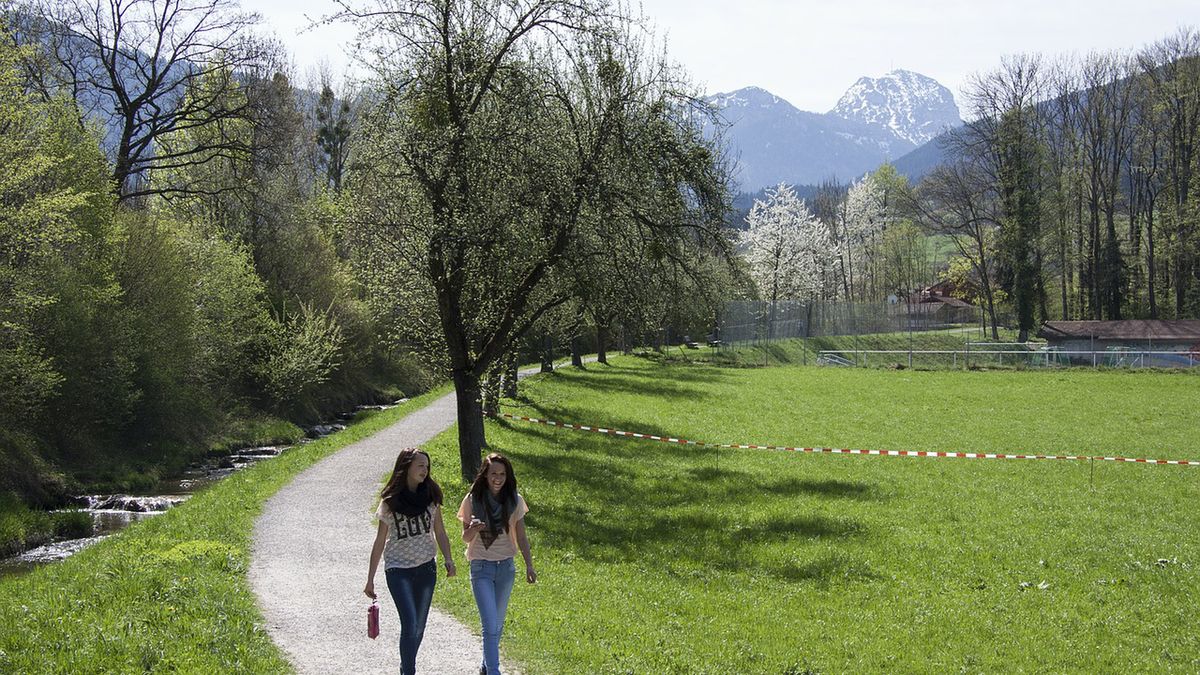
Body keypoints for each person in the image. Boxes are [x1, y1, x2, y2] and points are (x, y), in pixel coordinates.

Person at [365, 448, 456, 675]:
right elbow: (380, 541)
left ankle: (406, 666)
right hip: (398, 570)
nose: (425, 470)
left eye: (427, 466)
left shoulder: (431, 496)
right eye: (420, 465)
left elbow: (440, 532)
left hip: (426, 568)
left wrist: (448, 559)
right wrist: (370, 579)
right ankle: (409, 671)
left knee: (419, 626)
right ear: (406, 467)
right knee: (410, 623)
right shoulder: (390, 502)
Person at [458, 453, 536, 675]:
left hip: (505, 568)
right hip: (481, 566)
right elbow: (465, 538)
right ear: (485, 474)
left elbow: (521, 537)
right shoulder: (472, 500)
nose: (498, 478)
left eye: (502, 474)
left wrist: (529, 565)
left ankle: (486, 665)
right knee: (490, 624)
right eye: (494, 473)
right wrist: (473, 529)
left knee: (497, 624)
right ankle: (494, 670)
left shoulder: (515, 501)